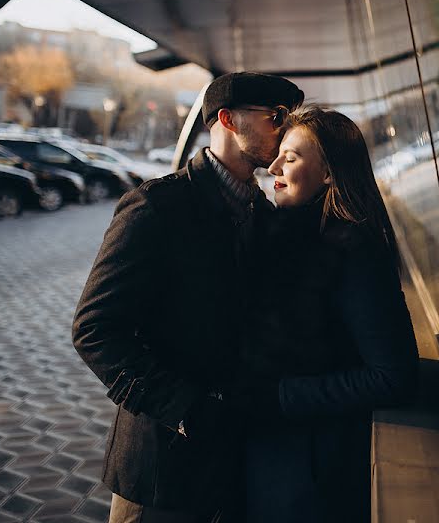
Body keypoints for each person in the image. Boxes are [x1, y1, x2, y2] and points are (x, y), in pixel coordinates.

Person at [72, 72, 304, 523]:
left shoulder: (261, 209)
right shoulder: (157, 207)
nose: (286, 128)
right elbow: (94, 330)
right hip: (161, 467)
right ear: (228, 120)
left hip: (233, 460)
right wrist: (185, 410)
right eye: (276, 117)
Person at [237, 107, 419, 522]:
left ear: (329, 174)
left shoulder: (351, 248)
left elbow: (394, 376)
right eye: (279, 153)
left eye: (293, 157)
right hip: (278, 454)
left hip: (312, 472)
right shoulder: (288, 233)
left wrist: (279, 395)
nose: (274, 166)